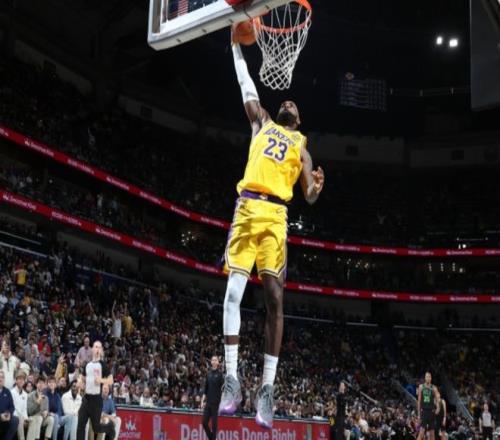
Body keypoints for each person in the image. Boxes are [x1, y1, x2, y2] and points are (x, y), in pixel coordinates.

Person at [218, 29, 325, 430]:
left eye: (293, 104)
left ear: (299, 120)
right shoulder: (261, 122)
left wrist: (316, 188)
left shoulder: (302, 148)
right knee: (232, 293)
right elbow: (245, 83)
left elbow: (308, 195)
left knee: (274, 298)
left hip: (276, 217)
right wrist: (235, 47)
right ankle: (232, 380)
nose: (288, 102)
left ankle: (267, 387)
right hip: (247, 209)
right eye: (285, 101)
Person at [76, 340, 115, 440]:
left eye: (99, 347)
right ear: (92, 349)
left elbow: (111, 380)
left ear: (101, 351)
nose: (97, 349)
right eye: (96, 347)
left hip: (96, 400)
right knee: (80, 425)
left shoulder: (103, 365)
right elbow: (82, 377)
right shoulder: (88, 364)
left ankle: (109, 427)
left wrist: (101, 380)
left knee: (96, 428)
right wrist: (80, 381)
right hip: (86, 399)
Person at [11, 371, 42, 440]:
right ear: (16, 380)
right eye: (19, 379)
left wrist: (26, 418)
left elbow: (24, 409)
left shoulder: (25, 394)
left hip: (22, 417)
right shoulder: (11, 392)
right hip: (14, 417)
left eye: (23, 379)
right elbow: (13, 409)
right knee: (20, 418)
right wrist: (22, 418)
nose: (21, 381)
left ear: (24, 381)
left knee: (32, 420)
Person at [201, 355, 224, 440]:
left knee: (214, 424)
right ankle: (211, 438)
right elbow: (205, 389)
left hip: (216, 403)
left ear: (218, 362)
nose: (214, 361)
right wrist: (202, 401)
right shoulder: (208, 374)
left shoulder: (220, 375)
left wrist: (222, 402)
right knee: (204, 422)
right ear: (211, 362)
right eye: (213, 360)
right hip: (208, 403)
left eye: (215, 360)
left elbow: (223, 390)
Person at [417, 372, 440, 440]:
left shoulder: (434, 387)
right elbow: (419, 401)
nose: (428, 378)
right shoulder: (421, 387)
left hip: (431, 412)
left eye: (429, 377)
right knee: (421, 433)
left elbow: (437, 398)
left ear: (431, 378)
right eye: (427, 377)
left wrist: (438, 407)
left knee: (432, 433)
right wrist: (418, 415)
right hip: (424, 411)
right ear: (425, 378)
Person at [0, 370, 19, 440]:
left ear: (4, 380)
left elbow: (12, 406)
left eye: (2, 377)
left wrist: (9, 414)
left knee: (15, 420)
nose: (0, 379)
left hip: (6, 416)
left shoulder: (7, 391)